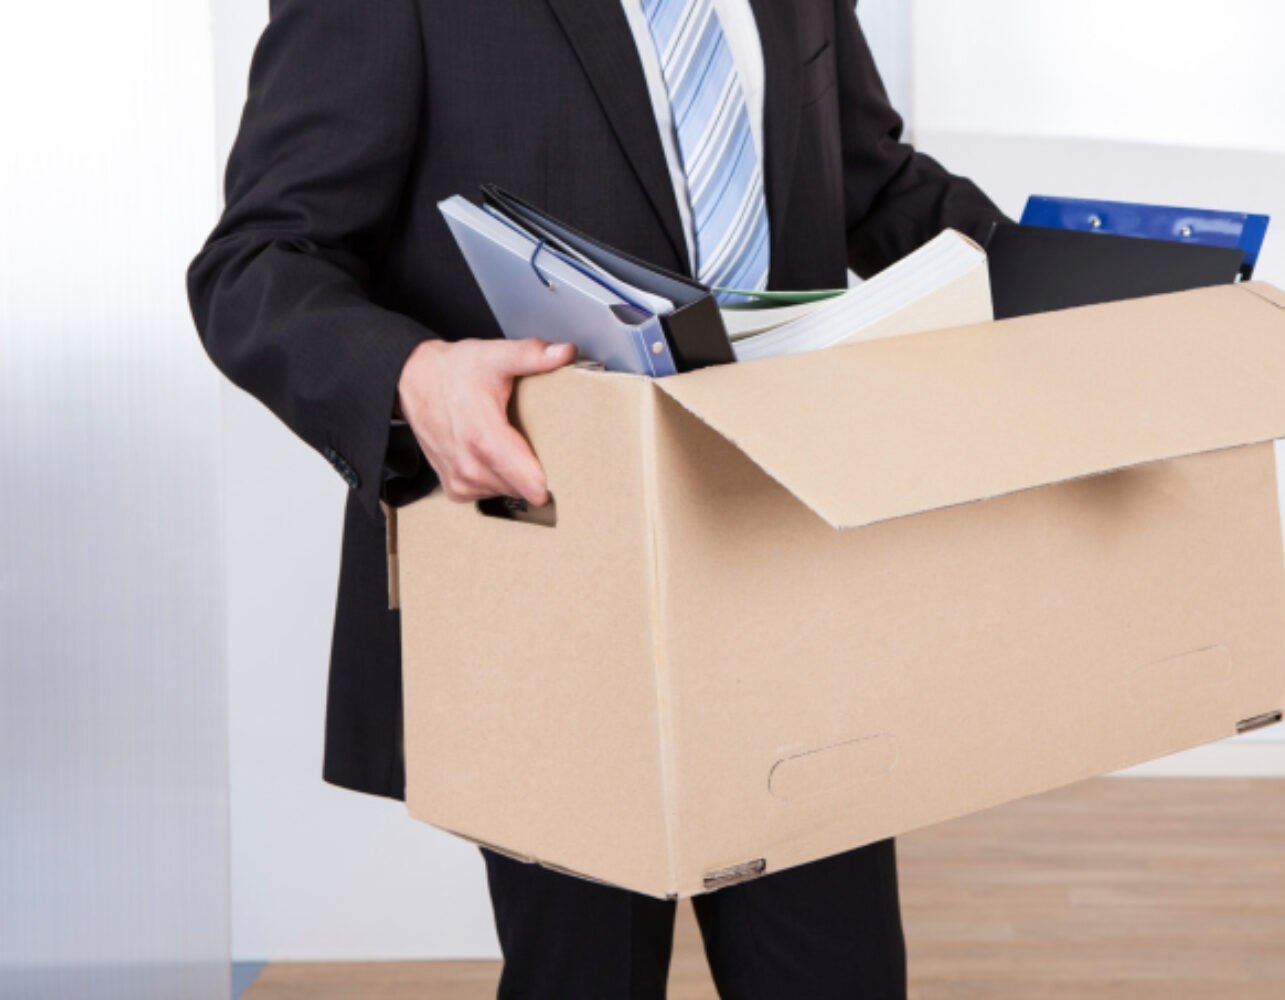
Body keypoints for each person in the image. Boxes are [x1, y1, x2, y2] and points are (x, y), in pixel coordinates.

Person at [188, 1, 1007, 996]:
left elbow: (868, 180)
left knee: (841, 974)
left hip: (788, 564)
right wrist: (412, 374)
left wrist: (1066, 276)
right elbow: (259, 262)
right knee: (585, 979)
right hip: (553, 587)